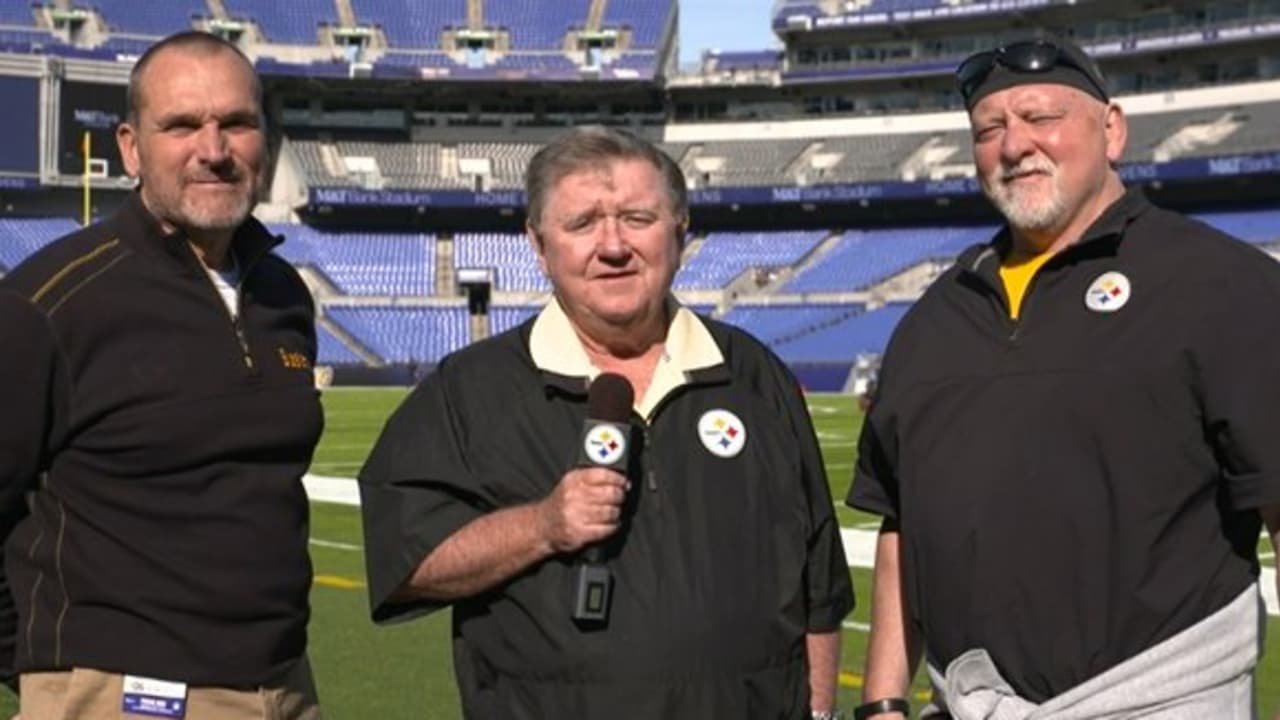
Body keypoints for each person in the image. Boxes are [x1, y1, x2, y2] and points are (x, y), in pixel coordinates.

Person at [847, 36, 1280, 720]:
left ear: (1112, 129)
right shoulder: (934, 318)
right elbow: (902, 523)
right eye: (988, 130)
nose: (1014, 145)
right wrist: (881, 702)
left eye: (1041, 117)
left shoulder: (1221, 284)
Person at [359, 126, 854, 719]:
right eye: (583, 223)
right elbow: (407, 559)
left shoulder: (755, 375)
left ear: (680, 231)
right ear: (539, 245)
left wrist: (819, 713)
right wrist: (541, 527)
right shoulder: (467, 390)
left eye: (638, 218)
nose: (613, 245)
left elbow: (819, 587)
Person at [0, 31, 324, 718]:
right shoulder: (50, 305)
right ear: (130, 148)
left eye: (237, 122)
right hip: (125, 695)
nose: (213, 149)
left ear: (265, 141)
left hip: (285, 686)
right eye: (181, 125)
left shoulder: (282, 295)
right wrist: (50, 673)